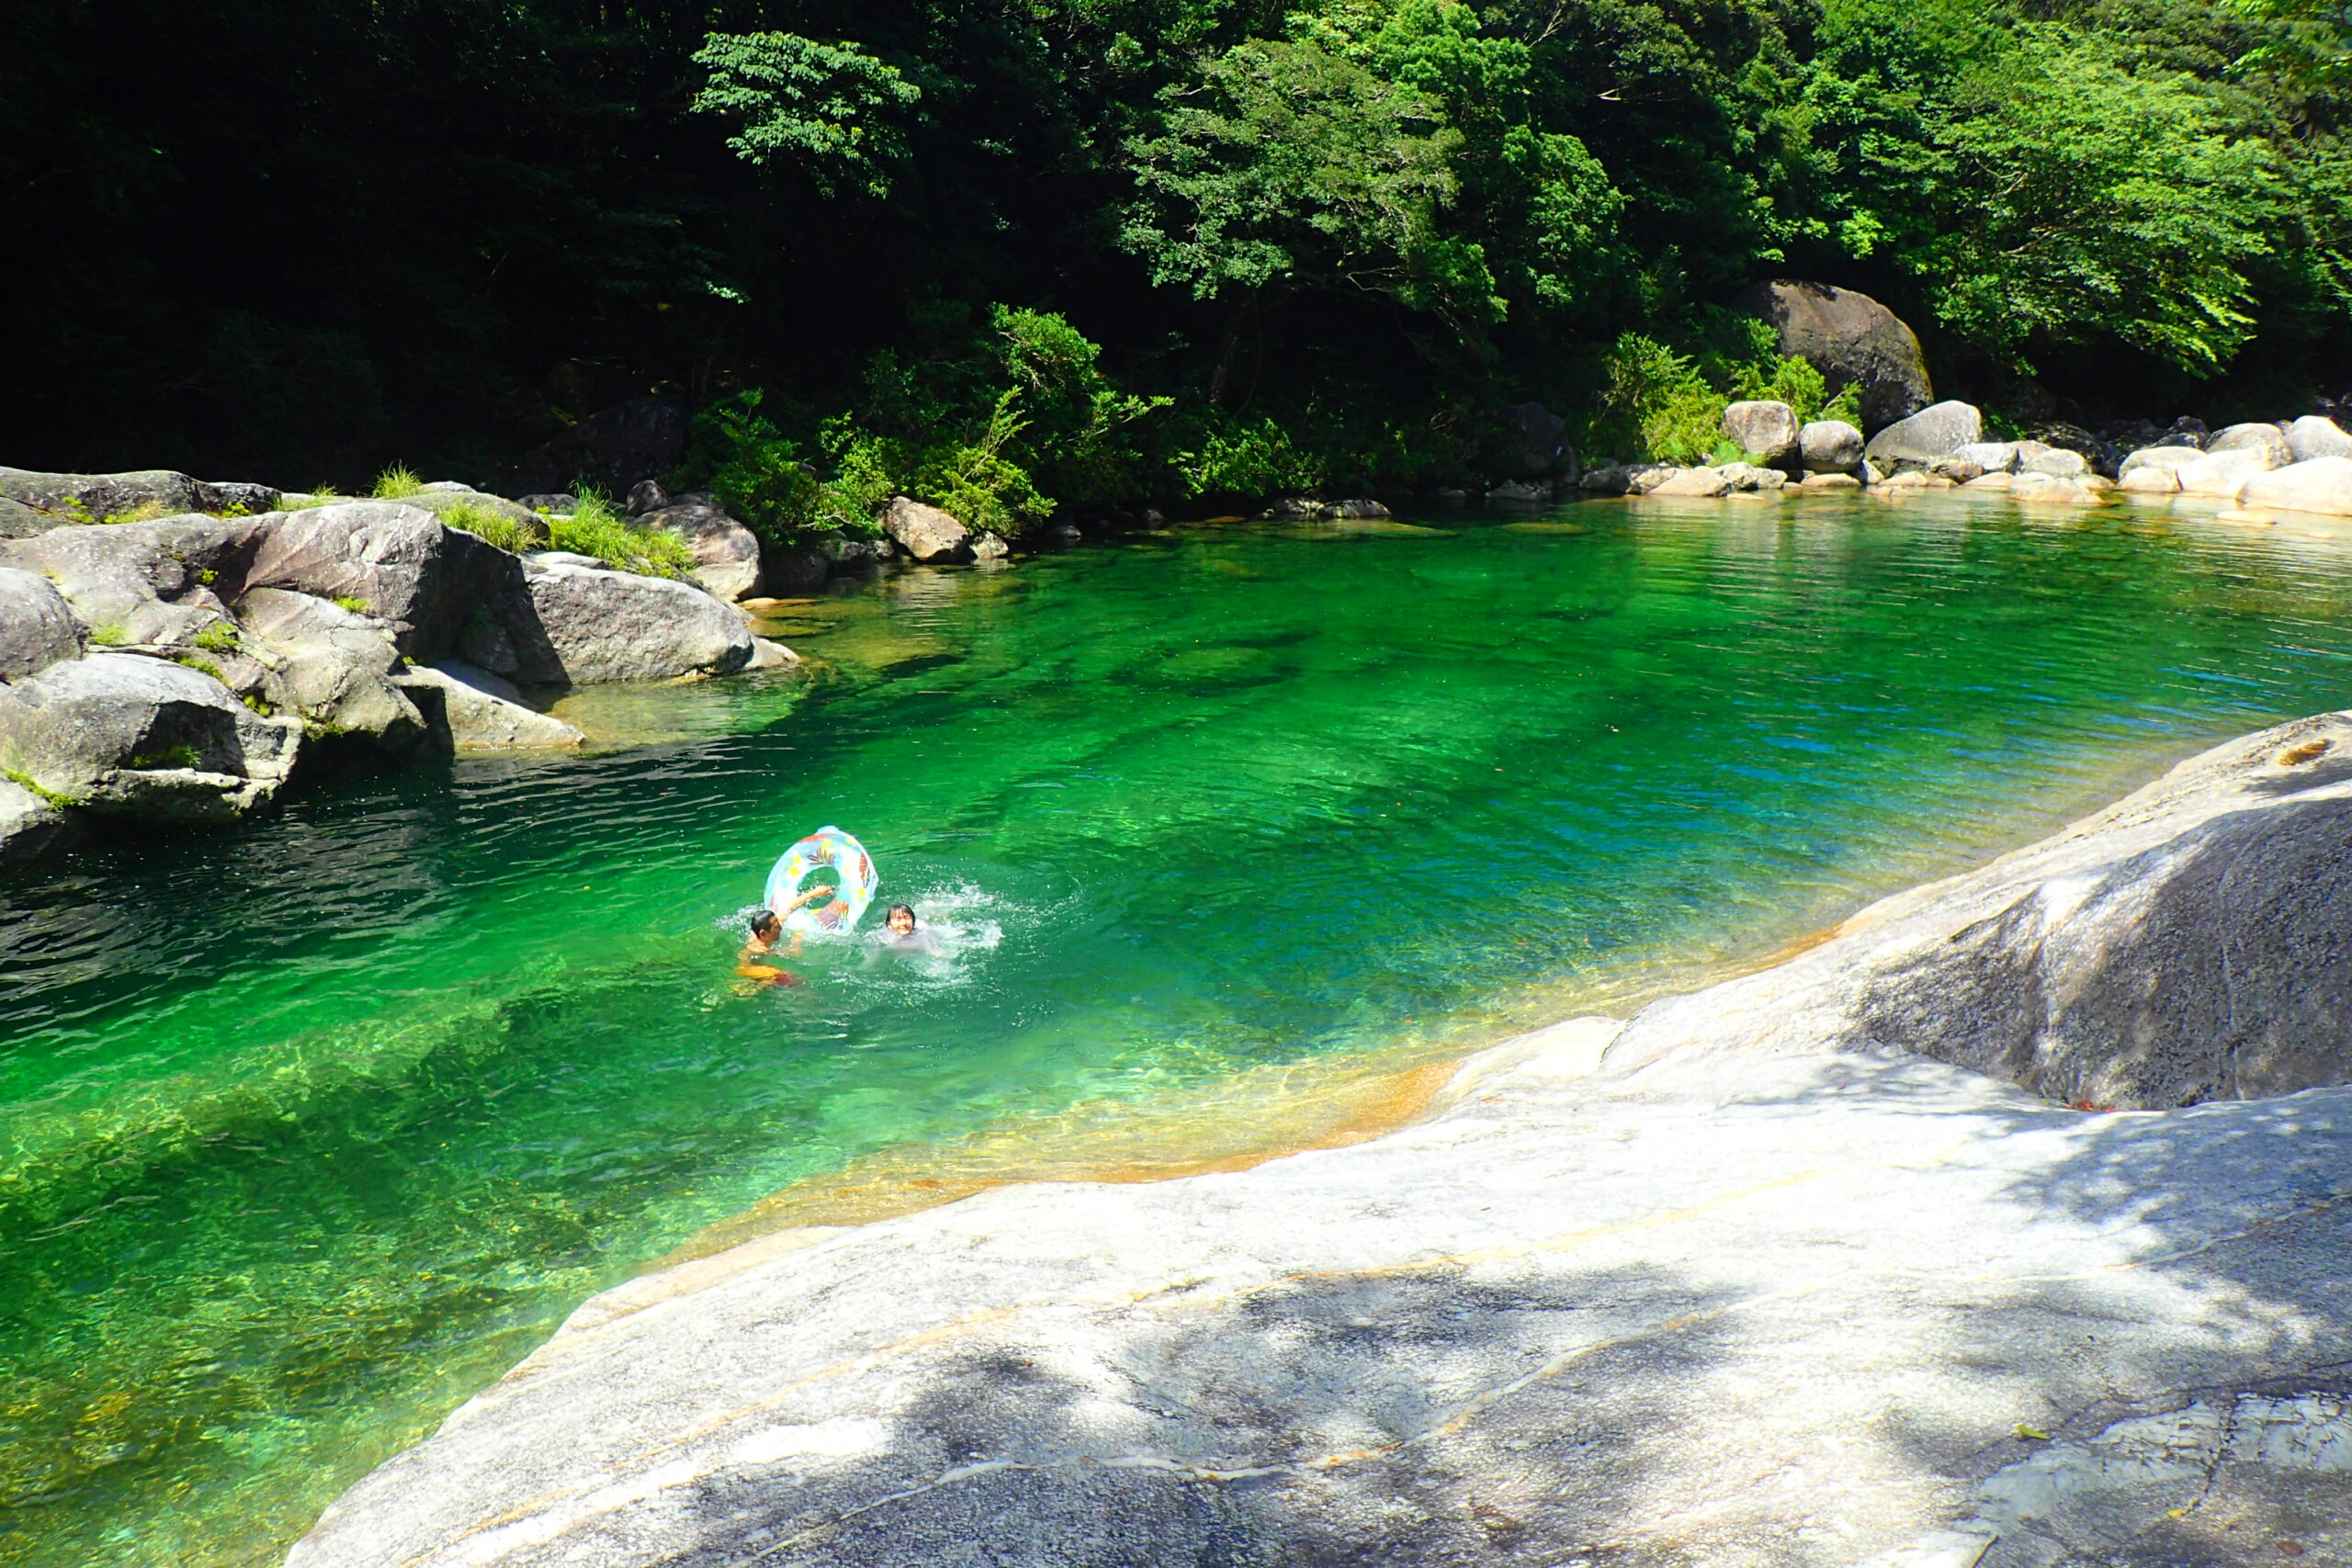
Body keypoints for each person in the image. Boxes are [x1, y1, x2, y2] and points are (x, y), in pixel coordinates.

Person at [735, 885, 833, 987]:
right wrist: (796, 940)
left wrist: (816, 892)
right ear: (763, 933)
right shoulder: (760, 949)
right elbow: (793, 953)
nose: (781, 928)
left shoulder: (763, 928)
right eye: (777, 927)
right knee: (791, 977)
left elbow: (789, 907)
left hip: (755, 966)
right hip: (747, 969)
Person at [868, 902, 943, 958]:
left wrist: (934, 952)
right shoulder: (883, 936)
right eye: (898, 919)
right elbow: (872, 954)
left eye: (907, 918)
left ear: (913, 921)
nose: (903, 923)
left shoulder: (922, 934)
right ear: (889, 925)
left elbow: (934, 949)